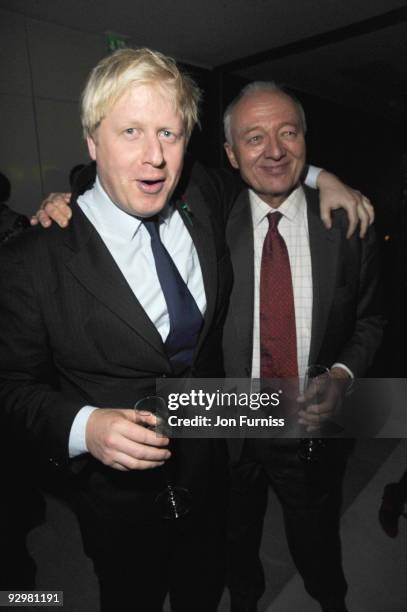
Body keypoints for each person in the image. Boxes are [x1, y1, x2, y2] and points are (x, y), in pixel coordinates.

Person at [0, 47, 234, 612]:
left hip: (208, 466)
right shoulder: (33, 258)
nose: (155, 156)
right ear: (92, 140)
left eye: (169, 134)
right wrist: (84, 426)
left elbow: (267, 166)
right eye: (130, 131)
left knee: (202, 593)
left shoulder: (201, 195)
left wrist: (324, 178)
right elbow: (8, 385)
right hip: (117, 505)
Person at [222, 81, 385, 612]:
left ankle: (330, 599)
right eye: (254, 137)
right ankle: (245, 597)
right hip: (227, 420)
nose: (274, 149)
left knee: (316, 535)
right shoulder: (204, 221)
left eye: (288, 132)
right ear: (230, 153)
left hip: (309, 424)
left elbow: (371, 320)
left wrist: (341, 376)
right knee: (234, 532)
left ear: (305, 141)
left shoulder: (348, 224)